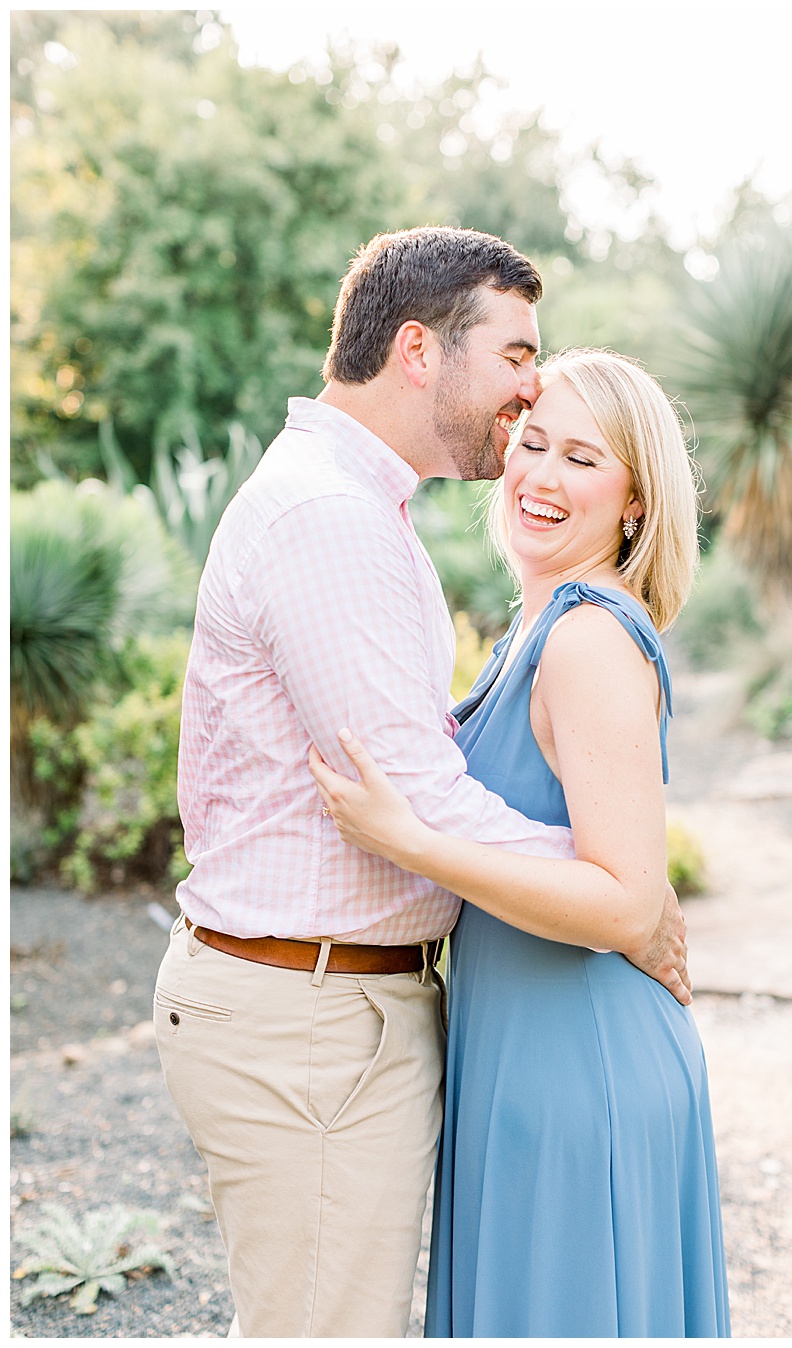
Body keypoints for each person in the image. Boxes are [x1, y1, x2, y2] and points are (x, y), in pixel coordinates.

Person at [153, 227, 689, 1338]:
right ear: (416, 349)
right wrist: (630, 902)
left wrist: (625, 890)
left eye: (579, 452)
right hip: (312, 1021)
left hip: (412, 1022)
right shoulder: (334, 519)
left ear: (637, 499)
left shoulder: (374, 519)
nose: (528, 391)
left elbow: (419, 803)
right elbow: (419, 804)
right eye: (515, 363)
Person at [308, 348, 731, 1335]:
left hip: (578, 1074)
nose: (541, 477)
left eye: (583, 459)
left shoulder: (588, 640)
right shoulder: (528, 636)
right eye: (532, 444)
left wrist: (409, 840)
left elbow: (626, 900)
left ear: (637, 502)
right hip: (522, 1062)